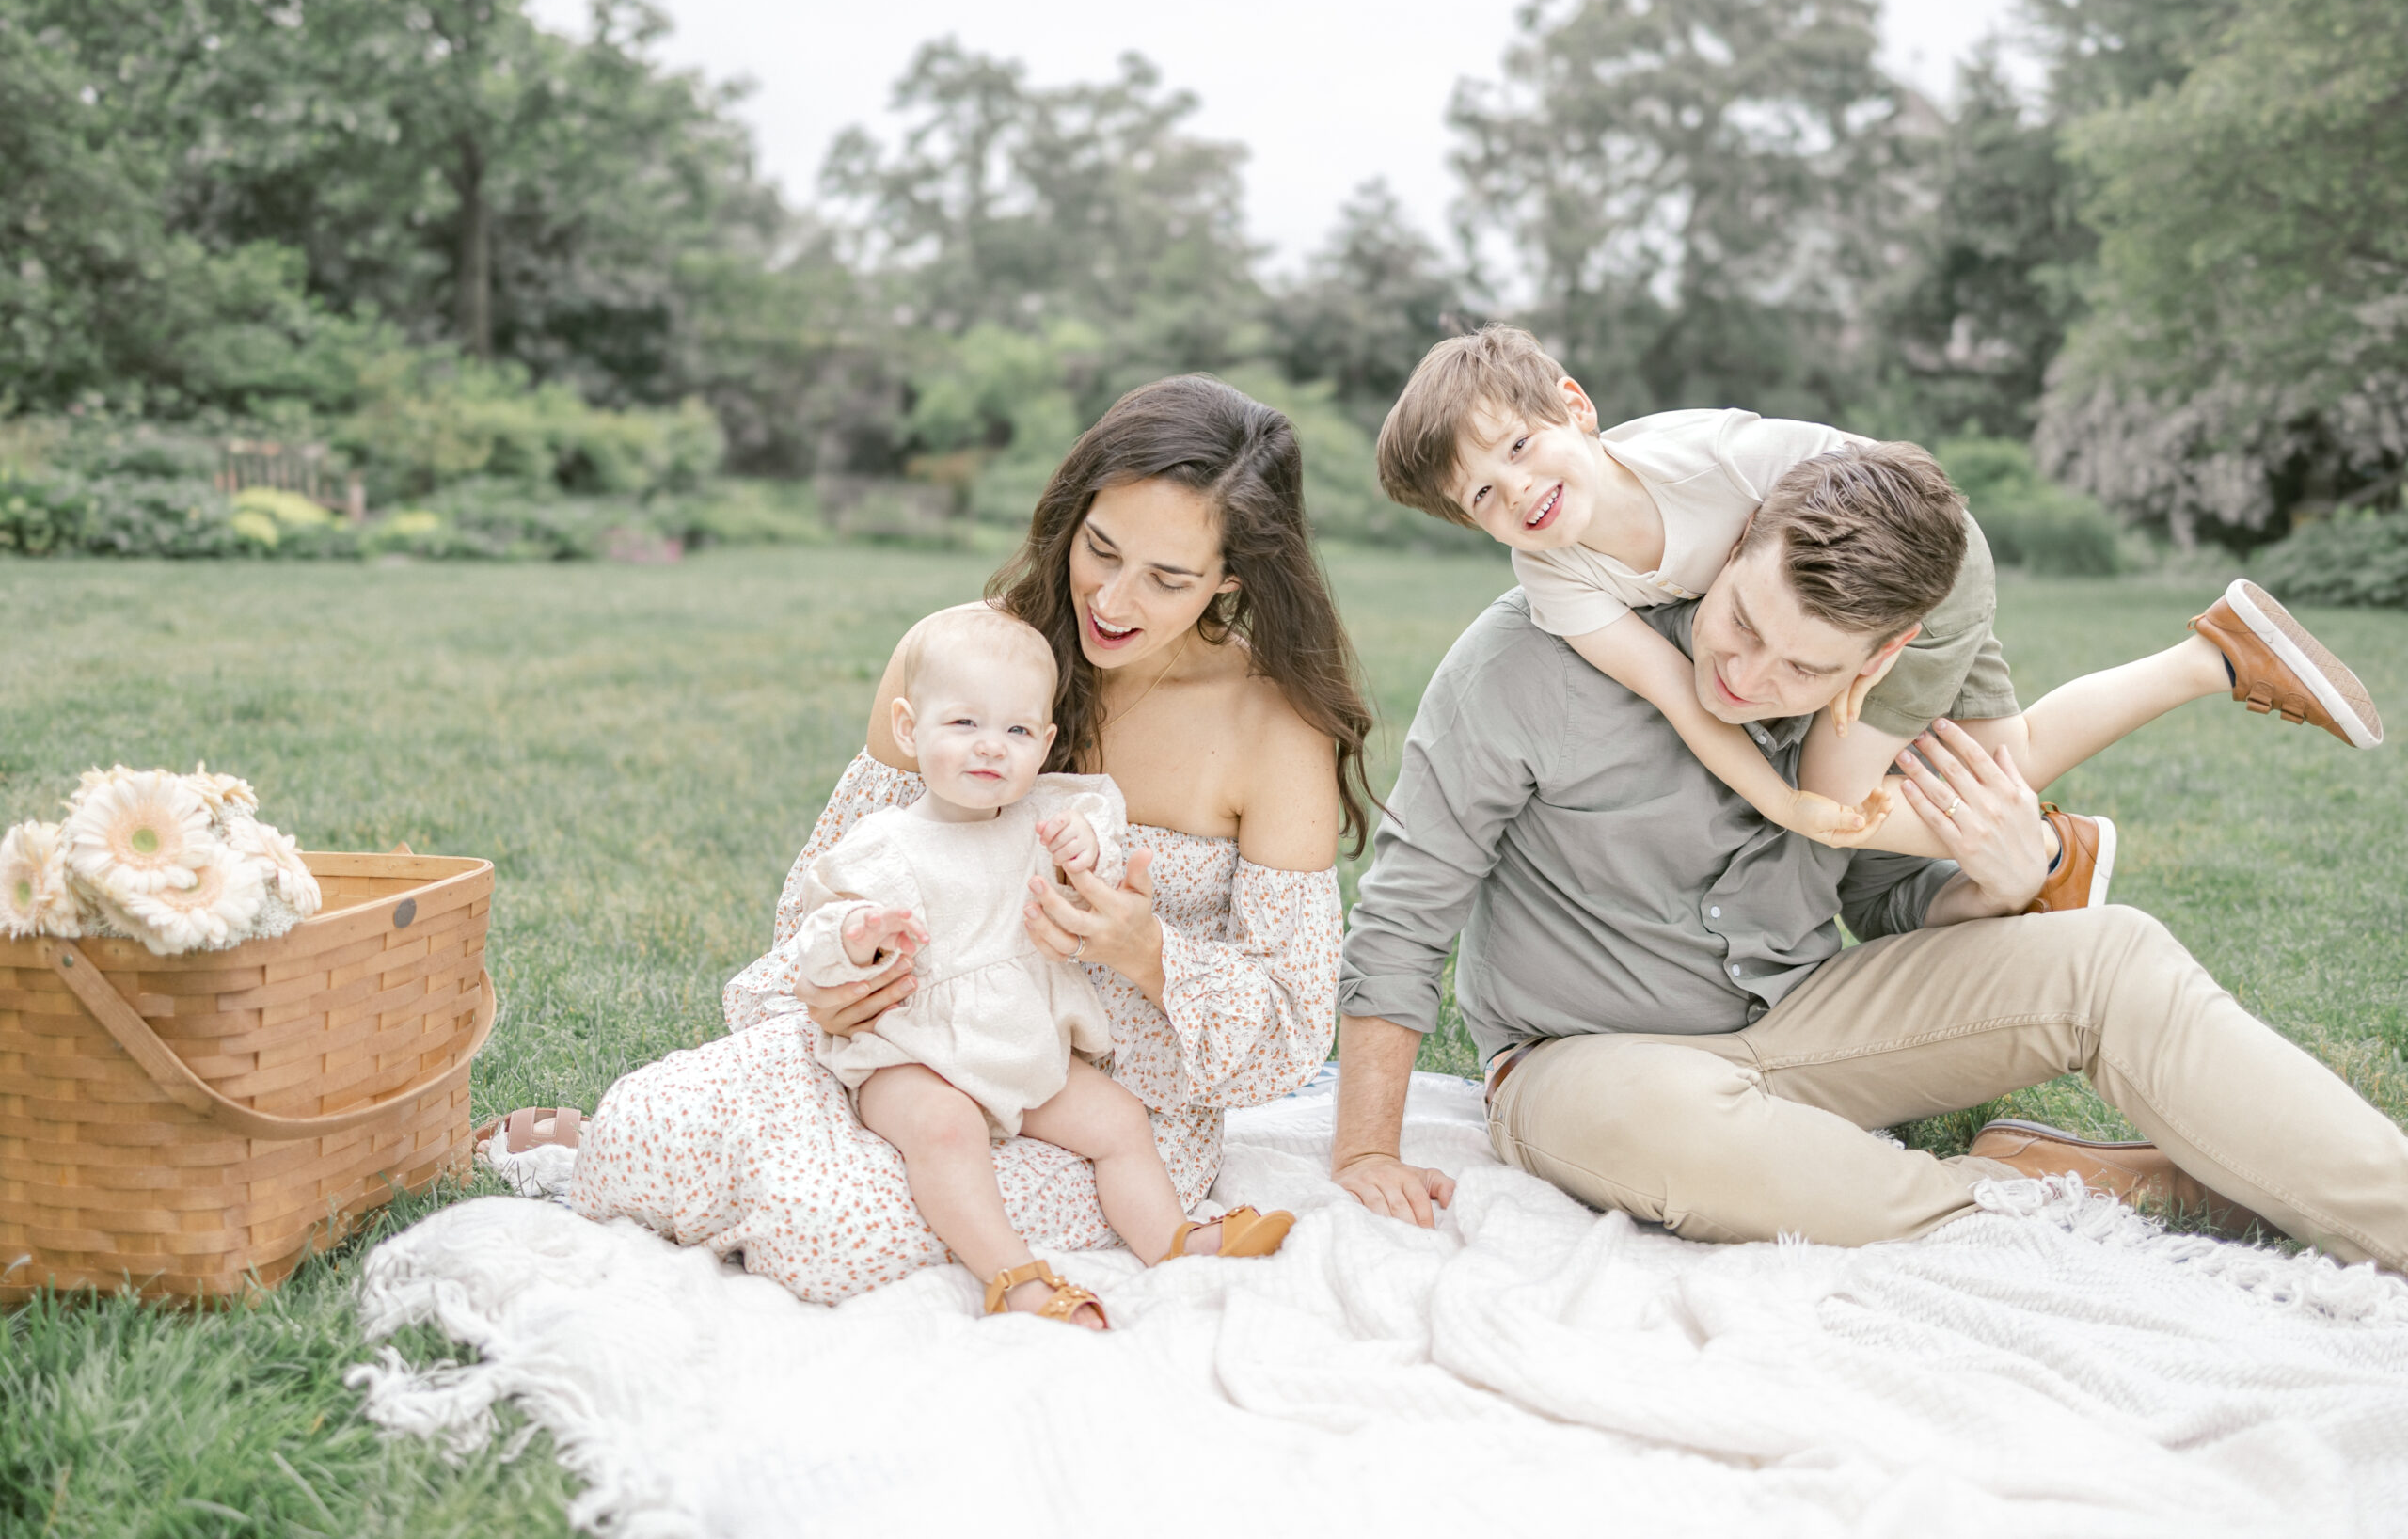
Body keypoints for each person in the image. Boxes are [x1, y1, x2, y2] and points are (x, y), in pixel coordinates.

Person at [1333, 443, 2408, 1273]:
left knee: (2112, 954)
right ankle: (2046, 1194)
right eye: (1741, 622)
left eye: (1804, 667)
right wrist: (1369, 1149)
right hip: (1582, 1063)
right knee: (1654, 1120)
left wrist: (1998, 880)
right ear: (1740, 542)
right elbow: (1406, 905)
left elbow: (1888, 901)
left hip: (1807, 1025)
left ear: (1879, 660)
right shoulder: (1522, 661)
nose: (1747, 677)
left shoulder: (1871, 707)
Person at [564, 375, 1369, 1306]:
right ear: (1069, 518)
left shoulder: (1272, 729)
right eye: (1098, 549)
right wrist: (837, 988)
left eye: (1167, 578)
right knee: (640, 1123)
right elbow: (816, 905)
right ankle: (602, 1146)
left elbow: (1292, 1031)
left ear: (1232, 575)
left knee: (823, 1231)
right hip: (910, 1047)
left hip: (1101, 1114)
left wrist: (1147, 953)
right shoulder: (967, 666)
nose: (1112, 597)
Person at [1372, 325, 2385, 909]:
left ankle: (2037, 854)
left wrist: (1858, 672)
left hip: (1917, 568)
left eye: (1515, 448)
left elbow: (1898, 495)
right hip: (1866, 606)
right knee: (2004, 753)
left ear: (1573, 406)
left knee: (1843, 798)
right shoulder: (1554, 577)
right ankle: (2214, 658)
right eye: (1479, 498)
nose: (1514, 495)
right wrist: (1778, 808)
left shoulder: (1716, 455)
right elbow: (1686, 700)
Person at [797, 609, 1293, 1329]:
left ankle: (1171, 1239)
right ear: (910, 729)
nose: (991, 748)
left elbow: (1106, 838)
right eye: (964, 724)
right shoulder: (886, 843)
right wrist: (857, 933)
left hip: (1020, 1044)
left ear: (1047, 743)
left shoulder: (1047, 816)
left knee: (1120, 1119)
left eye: (1017, 731)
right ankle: (1014, 1276)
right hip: (913, 1052)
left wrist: (1085, 847)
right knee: (944, 1129)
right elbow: (817, 937)